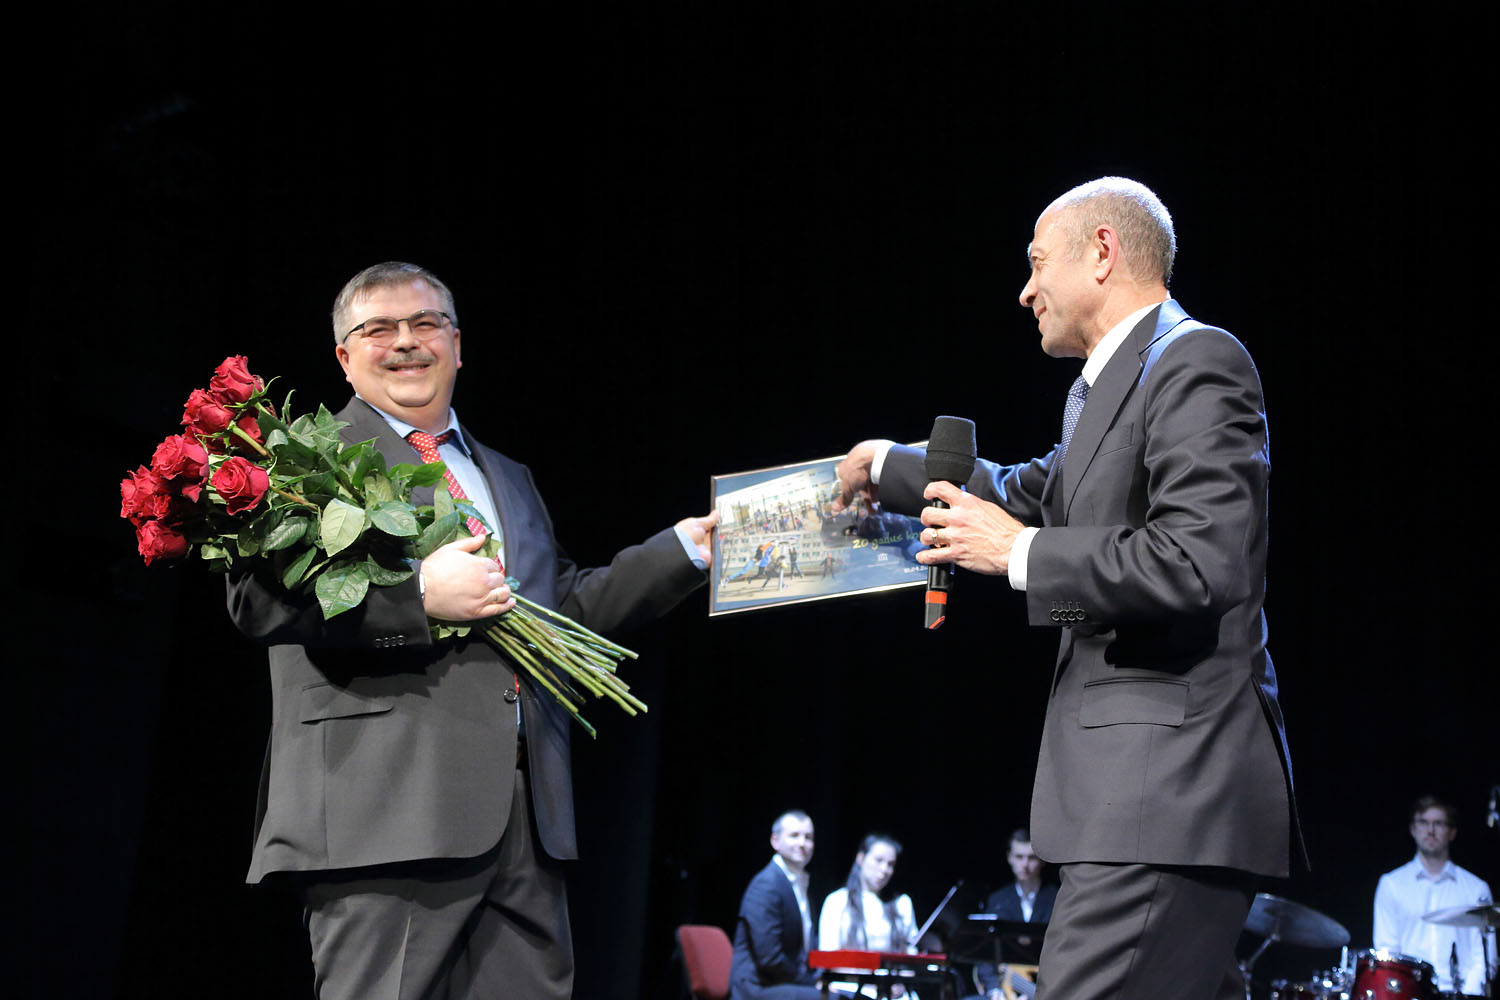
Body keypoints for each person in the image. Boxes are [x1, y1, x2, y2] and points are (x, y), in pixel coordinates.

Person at [834, 177, 1298, 1000]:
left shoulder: (1198, 361)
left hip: (1165, 802)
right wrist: (886, 466)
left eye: (1037, 262)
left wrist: (1018, 553)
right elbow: (1022, 489)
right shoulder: (1107, 393)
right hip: (1137, 809)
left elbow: (1197, 564)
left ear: (1103, 252)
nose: (1026, 290)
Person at [226, 261, 716, 1000]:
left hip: (526, 823)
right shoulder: (302, 458)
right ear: (345, 358)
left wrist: (684, 552)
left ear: (457, 346)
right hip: (384, 812)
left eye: (425, 324)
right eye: (379, 329)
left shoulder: (507, 476)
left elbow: (556, 608)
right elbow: (258, 603)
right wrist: (421, 595)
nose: (405, 342)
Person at [1373, 795, 1495, 995]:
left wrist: (1466, 995)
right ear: (1413, 829)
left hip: (1462, 994)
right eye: (1423, 823)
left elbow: (1484, 958)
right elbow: (1387, 953)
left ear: (1452, 832)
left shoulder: (1476, 889)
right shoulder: (1391, 885)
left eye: (1438, 823)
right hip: (1410, 994)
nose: (1430, 830)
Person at [730, 810, 823, 1000]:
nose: (802, 843)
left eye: (808, 837)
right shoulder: (766, 884)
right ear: (775, 841)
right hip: (759, 987)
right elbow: (769, 959)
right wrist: (810, 982)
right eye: (794, 836)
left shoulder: (801, 884)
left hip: (788, 983)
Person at [818, 834, 919, 997]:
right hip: (850, 988)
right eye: (878, 860)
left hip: (892, 991)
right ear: (861, 858)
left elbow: (911, 954)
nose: (884, 870)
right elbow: (828, 956)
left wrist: (900, 982)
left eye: (890, 864)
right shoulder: (837, 901)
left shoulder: (902, 903)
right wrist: (868, 982)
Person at [974, 830, 1057, 1000]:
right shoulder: (998, 900)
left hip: (1043, 988)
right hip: (1005, 989)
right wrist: (993, 989)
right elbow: (985, 953)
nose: (1025, 864)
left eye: (1031, 858)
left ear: (1042, 860)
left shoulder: (1056, 899)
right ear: (1009, 858)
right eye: (1019, 857)